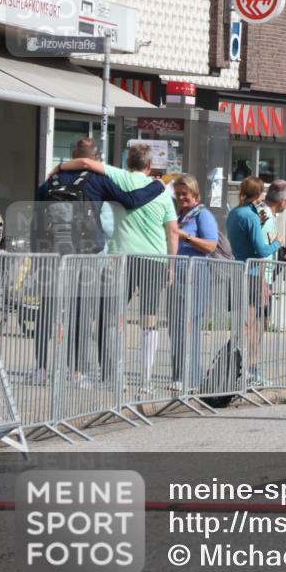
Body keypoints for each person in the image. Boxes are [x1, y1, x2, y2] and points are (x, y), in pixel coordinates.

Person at [33, 138, 166, 385]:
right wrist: (157, 186)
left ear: (73, 154)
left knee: (47, 309)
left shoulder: (50, 181)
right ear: (96, 159)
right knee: (81, 312)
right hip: (85, 253)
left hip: (51, 253)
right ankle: (77, 372)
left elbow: (36, 219)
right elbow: (131, 201)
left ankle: (40, 369)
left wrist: (35, 254)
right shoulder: (97, 180)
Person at [61, 143, 179, 390]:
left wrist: (59, 168)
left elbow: (86, 163)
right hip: (154, 259)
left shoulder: (118, 176)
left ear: (128, 163)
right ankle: (146, 379)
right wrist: (171, 264)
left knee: (111, 317)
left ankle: (115, 375)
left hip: (120, 258)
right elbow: (173, 232)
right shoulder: (163, 193)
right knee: (149, 318)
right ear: (149, 166)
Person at [226, 177, 282, 387]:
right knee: (255, 323)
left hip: (238, 270)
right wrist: (277, 243)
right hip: (253, 273)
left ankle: (237, 366)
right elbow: (261, 250)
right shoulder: (250, 215)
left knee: (243, 322)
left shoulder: (234, 213)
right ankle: (249, 368)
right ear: (259, 194)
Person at [168, 174, 218, 392]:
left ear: (194, 194)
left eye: (184, 194)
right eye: (177, 194)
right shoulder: (180, 214)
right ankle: (179, 374)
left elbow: (211, 245)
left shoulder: (203, 215)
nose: (180, 198)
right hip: (177, 275)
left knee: (190, 325)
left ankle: (193, 375)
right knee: (176, 326)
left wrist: (185, 237)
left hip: (195, 274)